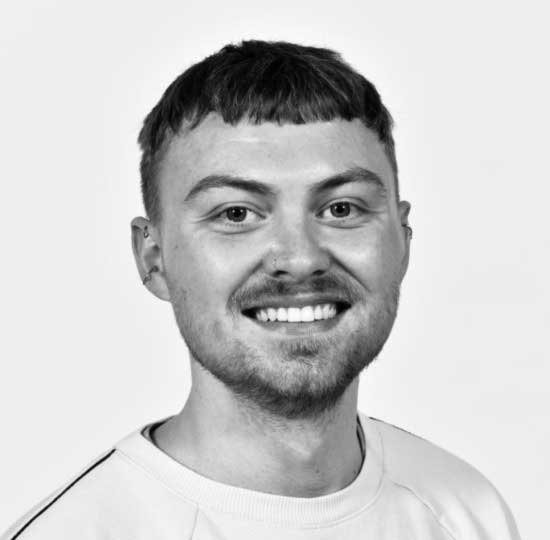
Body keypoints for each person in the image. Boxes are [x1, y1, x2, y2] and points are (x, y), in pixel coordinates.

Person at [2, 40, 521, 540]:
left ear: (402, 242)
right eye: (236, 214)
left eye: (342, 208)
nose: (299, 259)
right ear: (153, 258)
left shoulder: (469, 512)